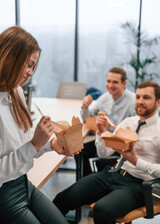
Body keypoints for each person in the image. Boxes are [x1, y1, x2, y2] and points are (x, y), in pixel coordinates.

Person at [53, 81, 160, 224]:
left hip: (139, 184)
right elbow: (104, 154)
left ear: (158, 102)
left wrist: (136, 161)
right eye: (138, 97)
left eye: (146, 98)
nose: (140, 101)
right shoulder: (128, 122)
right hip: (113, 173)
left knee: (101, 210)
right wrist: (101, 133)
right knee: (62, 199)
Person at [0, 26, 77, 224]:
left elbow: (25, 145)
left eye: (33, 67)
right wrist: (34, 144)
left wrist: (50, 145)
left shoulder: (14, 91)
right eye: (28, 65)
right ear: (8, 57)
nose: (30, 73)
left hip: (23, 184)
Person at [80, 67, 136, 176]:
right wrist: (85, 107)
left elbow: (136, 129)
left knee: (103, 158)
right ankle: (85, 180)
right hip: (105, 138)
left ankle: (100, 179)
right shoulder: (105, 97)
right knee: (81, 150)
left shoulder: (133, 101)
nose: (110, 85)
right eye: (108, 81)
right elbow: (86, 118)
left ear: (124, 83)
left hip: (122, 143)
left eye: (115, 82)